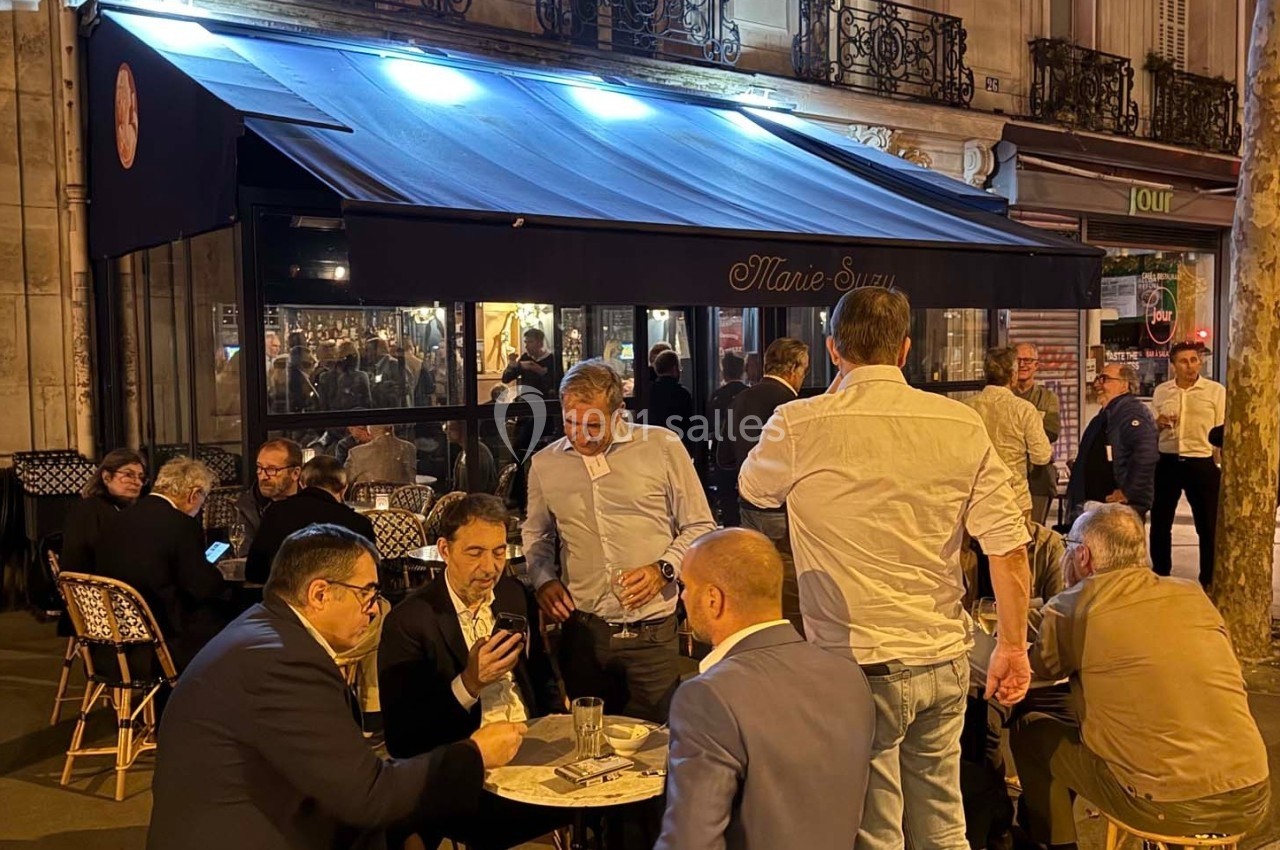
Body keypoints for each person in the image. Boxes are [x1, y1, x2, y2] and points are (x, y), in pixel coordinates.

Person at [738, 287, 1032, 850]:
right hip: (940, 655)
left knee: (874, 832)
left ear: (832, 349)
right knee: (943, 823)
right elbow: (1009, 547)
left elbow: (755, 491)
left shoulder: (798, 423)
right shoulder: (960, 422)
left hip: (854, 662)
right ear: (904, 350)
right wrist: (1012, 647)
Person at [147, 524, 526, 850]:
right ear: (319, 594)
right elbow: (366, 795)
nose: (374, 609)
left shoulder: (265, 630)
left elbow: (342, 779)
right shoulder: (282, 661)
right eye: (367, 593)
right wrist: (475, 754)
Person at [1011, 504, 1269, 849]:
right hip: (1252, 795)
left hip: (1162, 805)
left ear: (1083, 555)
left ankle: (1053, 844)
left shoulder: (1074, 606)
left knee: (1031, 731)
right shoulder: (1193, 595)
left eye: (1068, 547)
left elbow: (1040, 671)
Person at [657, 528, 874, 850]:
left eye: (686, 586)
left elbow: (690, 842)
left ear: (713, 599)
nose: (682, 597)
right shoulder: (848, 676)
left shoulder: (706, 696)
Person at [524, 360, 716, 722]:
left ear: (619, 413)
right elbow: (537, 534)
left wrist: (664, 569)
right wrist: (543, 579)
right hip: (584, 634)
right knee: (588, 739)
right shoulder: (545, 464)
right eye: (570, 422)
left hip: (651, 634)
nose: (581, 436)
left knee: (657, 741)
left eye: (594, 425)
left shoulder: (661, 446)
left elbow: (700, 525)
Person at [379, 494, 563, 849]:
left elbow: (540, 673)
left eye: (498, 552)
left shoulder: (512, 594)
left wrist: (556, 720)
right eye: (475, 553)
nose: (490, 567)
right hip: (467, 762)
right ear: (444, 550)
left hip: (530, 745)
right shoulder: (409, 622)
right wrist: (469, 683)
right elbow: (404, 738)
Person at [95, 457, 228, 670]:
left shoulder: (115, 519)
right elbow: (201, 586)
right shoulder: (181, 525)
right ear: (194, 495)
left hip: (112, 637)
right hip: (163, 639)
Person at [727, 337, 810, 634]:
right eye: (804, 371)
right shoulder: (792, 407)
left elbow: (726, 453)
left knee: (757, 579)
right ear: (794, 368)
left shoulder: (741, 398)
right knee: (788, 585)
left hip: (747, 506)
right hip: (781, 509)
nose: (803, 378)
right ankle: (789, 639)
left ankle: (761, 634)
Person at [1150, 342, 1225, 586]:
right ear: (1173, 365)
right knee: (1160, 522)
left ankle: (1209, 580)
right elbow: (1153, 426)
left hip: (1201, 461)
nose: (1190, 366)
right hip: (1168, 460)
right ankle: (1161, 574)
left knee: (1207, 525)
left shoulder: (1215, 391)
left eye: (1194, 360)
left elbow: (1222, 429)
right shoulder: (1162, 391)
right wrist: (1158, 424)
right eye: (1184, 361)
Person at [244, 456, 376, 585]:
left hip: (287, 596)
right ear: (344, 488)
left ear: (302, 484)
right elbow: (371, 578)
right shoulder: (358, 523)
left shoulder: (276, 512)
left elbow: (254, 572)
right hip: (339, 597)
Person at [1064, 363, 1159, 522]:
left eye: (1104, 379)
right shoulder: (1110, 413)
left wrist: (1128, 492)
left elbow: (1146, 455)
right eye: (1097, 378)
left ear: (1124, 385)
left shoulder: (1132, 413)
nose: (1097, 384)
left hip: (1118, 510)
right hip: (1102, 508)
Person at [967, 347, 1054, 518]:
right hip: (1014, 497)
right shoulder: (1024, 409)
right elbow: (1041, 456)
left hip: (976, 495)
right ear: (1012, 375)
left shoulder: (967, 406)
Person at [61, 448, 147, 572]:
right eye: (128, 475)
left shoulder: (134, 511)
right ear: (106, 477)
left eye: (141, 477)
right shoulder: (88, 509)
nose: (137, 482)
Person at [1013, 343, 1061, 525]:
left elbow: (1051, 432)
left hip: (1038, 479)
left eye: (1027, 360)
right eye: (1018, 360)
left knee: (1034, 532)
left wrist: (1015, 432)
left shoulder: (1048, 398)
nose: (1022, 365)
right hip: (1007, 477)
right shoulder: (1004, 396)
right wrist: (1031, 430)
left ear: (1036, 365)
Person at [236, 439, 303, 554]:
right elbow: (245, 557)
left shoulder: (312, 504)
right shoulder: (246, 508)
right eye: (259, 467)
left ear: (295, 473)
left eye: (272, 469)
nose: (263, 476)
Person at [706, 352, 749, 526]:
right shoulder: (748, 394)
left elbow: (710, 427)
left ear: (723, 372)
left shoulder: (717, 396)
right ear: (743, 371)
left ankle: (730, 528)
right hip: (746, 454)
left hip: (721, 455)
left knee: (727, 496)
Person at [646, 349, 696, 457]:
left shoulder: (648, 392)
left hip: (652, 447)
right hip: (676, 448)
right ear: (674, 369)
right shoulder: (682, 394)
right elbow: (689, 426)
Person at [346, 424, 417, 485]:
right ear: (392, 428)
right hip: (401, 496)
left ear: (369, 431)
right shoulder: (409, 448)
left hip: (367, 496)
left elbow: (346, 481)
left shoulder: (356, 453)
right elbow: (411, 480)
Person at [501, 327, 556, 399]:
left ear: (540, 343)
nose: (526, 346)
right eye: (525, 342)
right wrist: (511, 365)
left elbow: (555, 382)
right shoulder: (525, 358)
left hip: (546, 400)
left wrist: (537, 369)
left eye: (530, 342)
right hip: (527, 401)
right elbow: (505, 379)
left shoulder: (551, 359)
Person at [447, 419, 498, 494]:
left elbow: (479, 489)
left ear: (463, 429)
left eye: (451, 429)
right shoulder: (463, 452)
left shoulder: (479, 453)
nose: (447, 432)